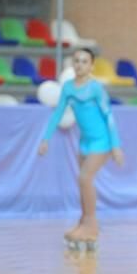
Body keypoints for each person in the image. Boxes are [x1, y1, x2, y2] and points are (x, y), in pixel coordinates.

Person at [38, 48, 124, 249]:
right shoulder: (68, 88)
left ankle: (92, 225)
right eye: (76, 61)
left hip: (102, 141)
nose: (80, 65)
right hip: (84, 142)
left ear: (91, 66)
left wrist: (116, 145)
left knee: (85, 178)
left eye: (84, 61)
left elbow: (108, 116)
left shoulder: (95, 88)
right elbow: (58, 113)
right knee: (84, 183)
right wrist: (46, 139)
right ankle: (83, 222)